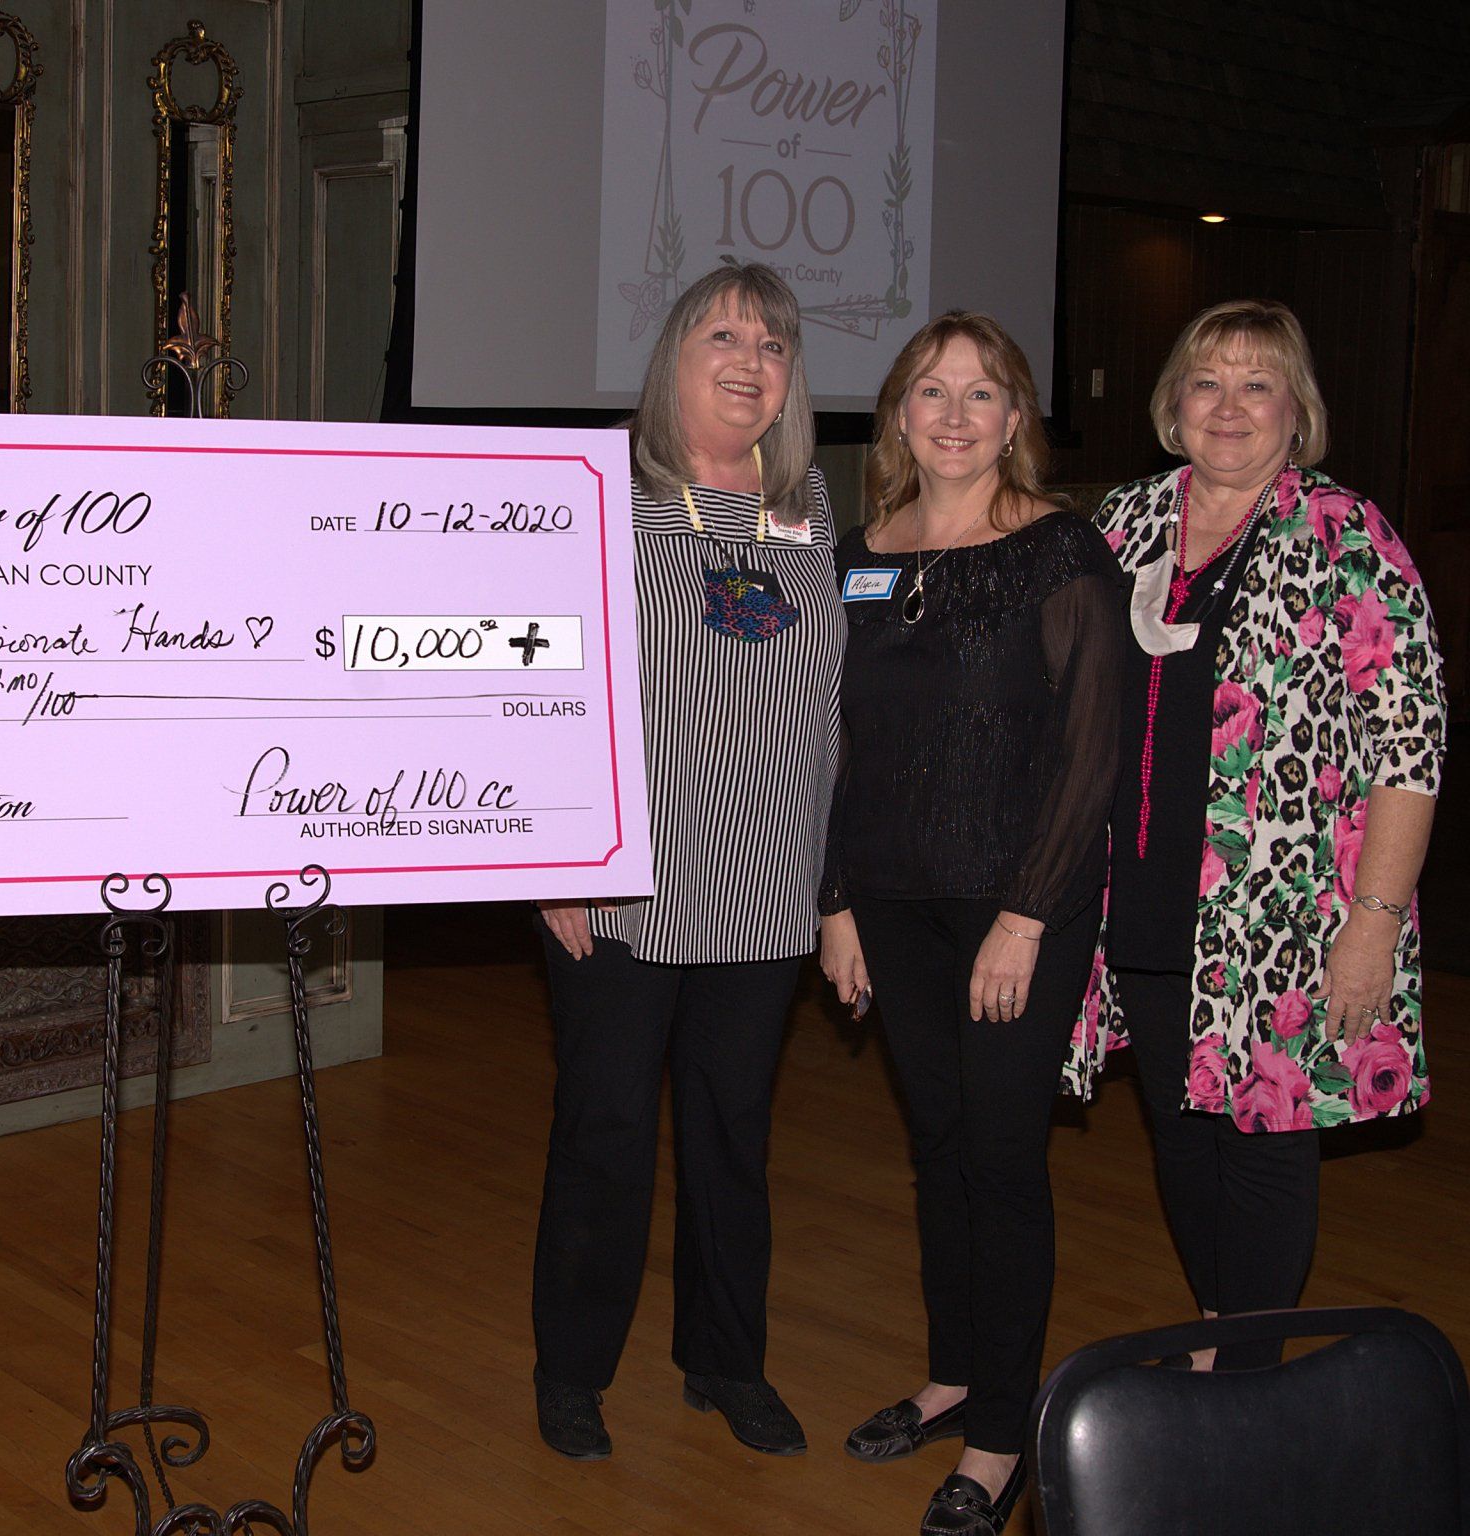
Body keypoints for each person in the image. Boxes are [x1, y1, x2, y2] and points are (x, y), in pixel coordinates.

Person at [1071, 299, 1446, 1372]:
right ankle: (1221, 1330)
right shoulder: (1125, 521)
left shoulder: (1346, 533)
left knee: (1265, 1138)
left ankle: (1247, 1371)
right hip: (1137, 890)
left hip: (1286, 910)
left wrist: (1371, 926)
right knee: (1182, 1134)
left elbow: (1409, 744)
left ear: (1298, 410)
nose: (1229, 406)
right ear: (1172, 406)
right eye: (1207, 382)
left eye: (1258, 384)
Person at [530, 263, 844, 1462]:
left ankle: (725, 1362)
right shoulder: (602, 498)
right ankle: (573, 1371)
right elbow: (542, 685)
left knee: (734, 1140)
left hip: (767, 888)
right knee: (604, 1133)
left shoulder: (812, 516)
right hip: (620, 888)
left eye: (772, 342)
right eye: (723, 333)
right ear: (674, 356)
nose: (749, 358)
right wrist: (551, 858)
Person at [820, 312, 1126, 1535]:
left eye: (982, 394)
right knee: (938, 1142)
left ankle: (1004, 1433)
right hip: (889, 900)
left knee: (1001, 1161)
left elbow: (1091, 752)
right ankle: (953, 1373)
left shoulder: (1062, 552)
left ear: (1016, 420)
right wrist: (834, 901)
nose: (955, 414)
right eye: (931, 391)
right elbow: (838, 744)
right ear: (900, 412)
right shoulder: (862, 552)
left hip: (1015, 907)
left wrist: (1028, 915)